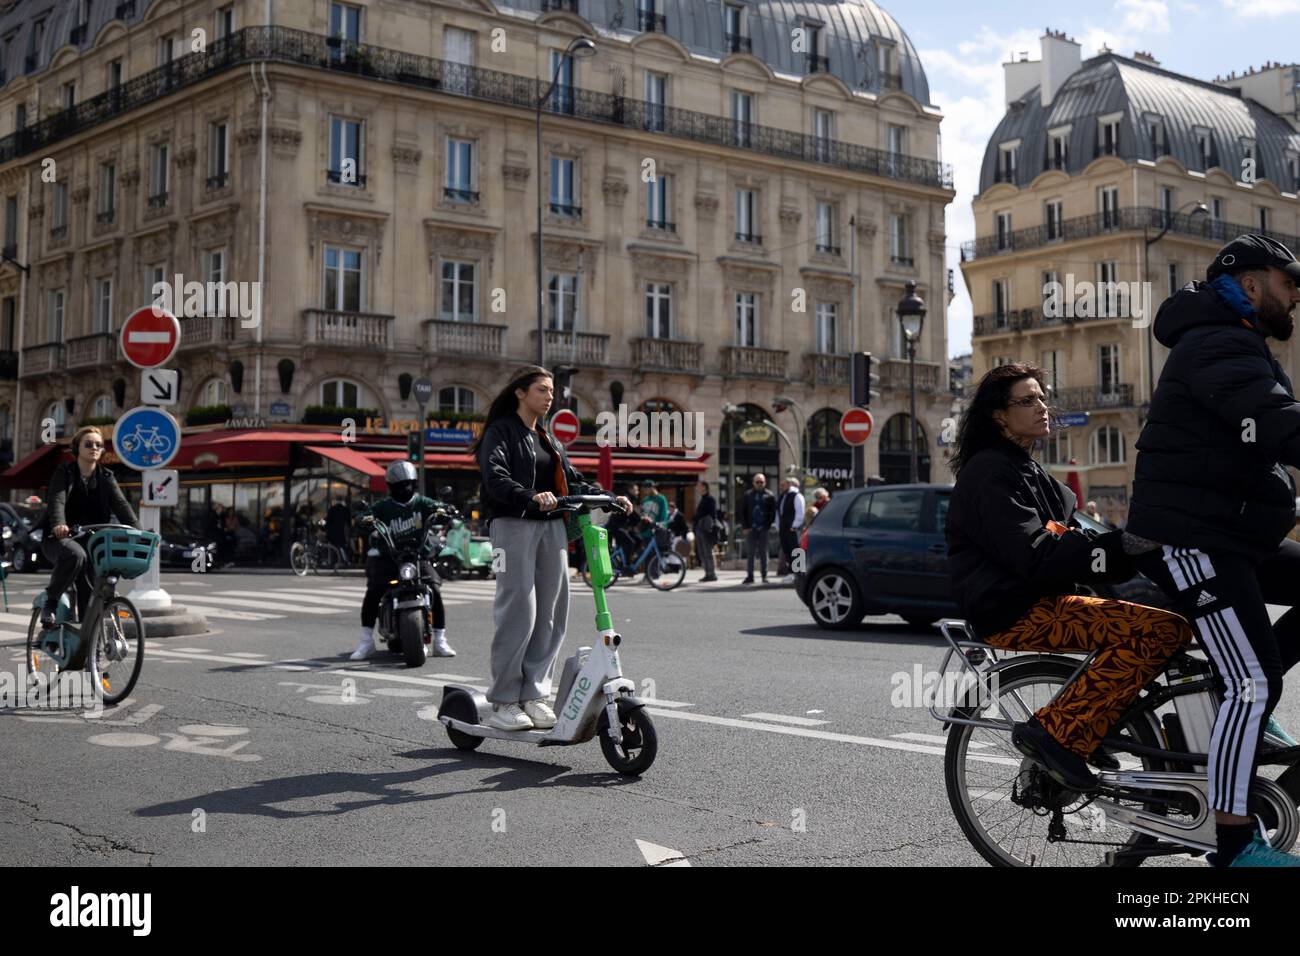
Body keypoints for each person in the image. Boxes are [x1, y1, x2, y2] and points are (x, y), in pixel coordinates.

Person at [1125, 234, 1300, 867]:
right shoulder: (1218, 343)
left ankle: (1235, 706)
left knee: (1254, 682)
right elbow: (1279, 423)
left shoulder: (1237, 339)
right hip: (1191, 538)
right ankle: (1234, 844)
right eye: (1289, 282)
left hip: (1231, 534)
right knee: (1255, 683)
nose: (1296, 295)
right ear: (1252, 284)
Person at [946, 363, 1192, 793]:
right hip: (1012, 609)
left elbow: (1083, 545)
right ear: (998, 415)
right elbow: (1036, 554)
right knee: (1162, 630)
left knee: (1162, 619)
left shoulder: (1033, 474)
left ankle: (1089, 726)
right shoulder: (989, 472)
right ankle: (1055, 733)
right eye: (1027, 400)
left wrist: (1143, 552)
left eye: (1042, 397)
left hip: (1040, 602)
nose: (1042, 407)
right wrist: (1122, 548)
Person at [472, 365, 631, 732]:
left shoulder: (548, 439)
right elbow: (494, 476)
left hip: (551, 528)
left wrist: (609, 497)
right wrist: (528, 496)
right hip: (514, 524)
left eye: (551, 390)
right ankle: (505, 700)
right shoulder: (502, 431)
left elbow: (573, 480)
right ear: (520, 393)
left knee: (552, 613)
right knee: (519, 611)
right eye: (542, 389)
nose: (550, 396)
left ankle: (534, 694)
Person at [350, 460, 454, 660]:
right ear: (390, 487)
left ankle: (440, 641)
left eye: (407, 484)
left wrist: (446, 510)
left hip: (418, 557)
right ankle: (366, 641)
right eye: (398, 485)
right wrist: (362, 519)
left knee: (434, 588)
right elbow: (364, 516)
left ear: (413, 484)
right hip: (389, 558)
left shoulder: (422, 503)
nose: (403, 488)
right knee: (374, 591)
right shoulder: (382, 507)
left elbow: (439, 508)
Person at [37, 426, 140, 628]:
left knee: (92, 591)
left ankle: (88, 647)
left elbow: (121, 505)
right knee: (76, 556)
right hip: (60, 539)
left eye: (99, 445)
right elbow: (57, 500)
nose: (94, 447)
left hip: (92, 541)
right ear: (77, 448)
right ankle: (51, 602)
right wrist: (59, 524)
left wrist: (138, 530)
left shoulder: (106, 477)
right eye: (89, 444)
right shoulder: (64, 472)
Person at [739, 473, 776, 584]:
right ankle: (750, 576)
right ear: (753, 483)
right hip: (751, 528)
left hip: (763, 528)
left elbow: (772, 513)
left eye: (761, 482)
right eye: (757, 482)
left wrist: (768, 525)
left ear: (765, 483)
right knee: (750, 552)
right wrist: (745, 526)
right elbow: (742, 511)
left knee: (764, 552)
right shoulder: (748, 495)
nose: (759, 484)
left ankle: (764, 575)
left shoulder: (769, 495)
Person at [776, 477, 806, 582]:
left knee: (796, 549)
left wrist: (795, 525)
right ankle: (792, 572)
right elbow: (779, 512)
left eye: (784, 484)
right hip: (783, 528)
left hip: (793, 528)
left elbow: (800, 512)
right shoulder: (782, 496)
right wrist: (778, 525)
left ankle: (799, 573)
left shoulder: (797, 496)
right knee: (787, 549)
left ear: (791, 485)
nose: (782, 486)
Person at [693, 480, 718, 582]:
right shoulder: (703, 499)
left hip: (705, 529)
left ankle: (711, 573)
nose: (697, 488)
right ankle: (707, 572)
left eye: (699, 486)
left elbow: (712, 515)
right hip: (699, 529)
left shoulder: (710, 499)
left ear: (704, 487)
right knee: (701, 552)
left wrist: (709, 528)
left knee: (707, 552)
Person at [638, 478, 669, 543]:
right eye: (644, 488)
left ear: (652, 487)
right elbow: (641, 513)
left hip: (655, 532)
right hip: (644, 531)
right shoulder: (645, 500)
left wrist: (662, 528)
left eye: (646, 487)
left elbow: (664, 515)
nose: (645, 490)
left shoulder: (661, 499)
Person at [325, 496, 351, 564]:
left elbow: (328, 521)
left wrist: (327, 530)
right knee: (342, 546)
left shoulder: (332, 509)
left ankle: (333, 561)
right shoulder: (345, 509)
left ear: (336, 500)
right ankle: (345, 560)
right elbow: (348, 521)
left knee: (333, 547)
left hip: (333, 532)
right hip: (342, 531)